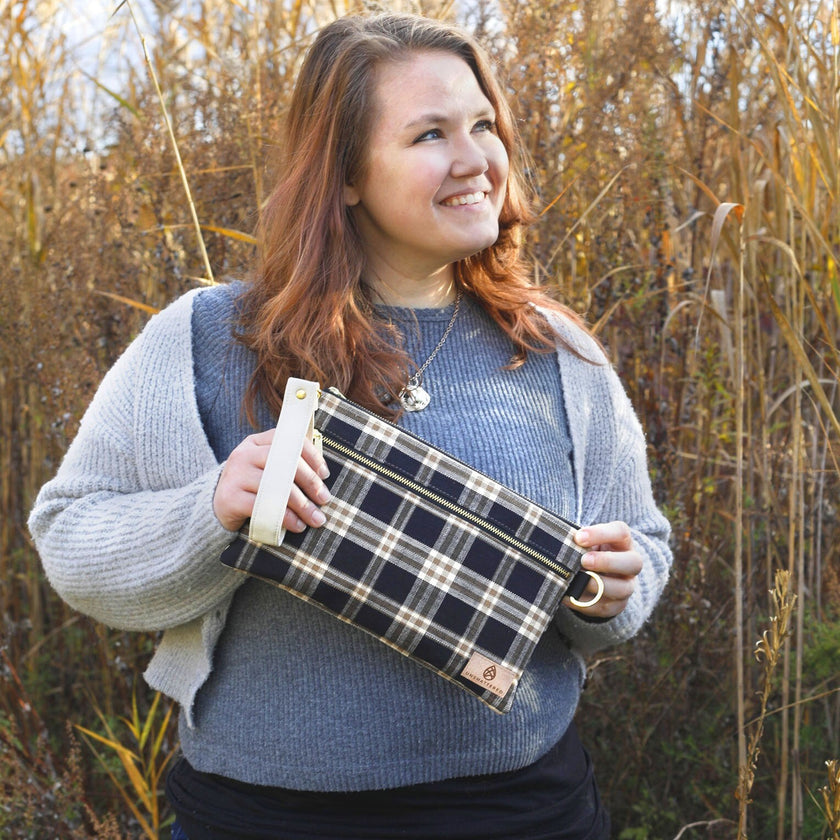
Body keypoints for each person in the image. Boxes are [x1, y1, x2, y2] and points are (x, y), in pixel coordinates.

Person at [29, 12, 672, 840]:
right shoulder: (209, 339)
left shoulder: (556, 352)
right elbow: (71, 537)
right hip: (263, 821)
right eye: (430, 134)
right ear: (344, 175)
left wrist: (608, 591)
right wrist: (211, 511)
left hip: (523, 814)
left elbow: (642, 547)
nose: (477, 160)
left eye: (484, 124)